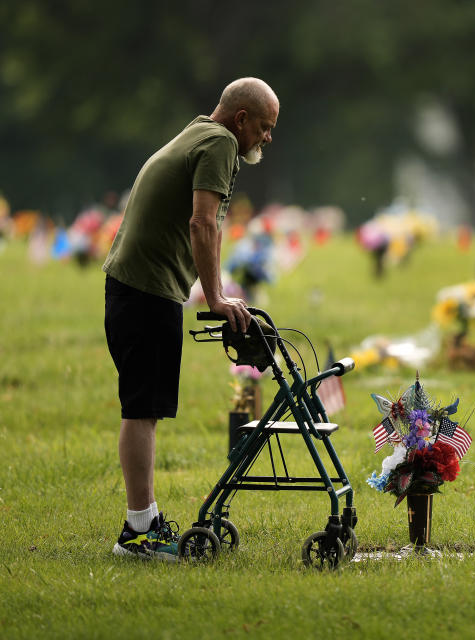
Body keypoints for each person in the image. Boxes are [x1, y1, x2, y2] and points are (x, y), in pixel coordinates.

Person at [102, 77, 278, 560]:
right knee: (141, 408)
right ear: (241, 118)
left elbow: (207, 224)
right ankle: (138, 533)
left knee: (145, 407)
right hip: (144, 292)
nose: (267, 138)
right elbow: (201, 222)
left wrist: (215, 291)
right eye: (264, 127)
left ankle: (144, 522)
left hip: (135, 288)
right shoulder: (220, 143)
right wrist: (217, 298)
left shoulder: (200, 132)